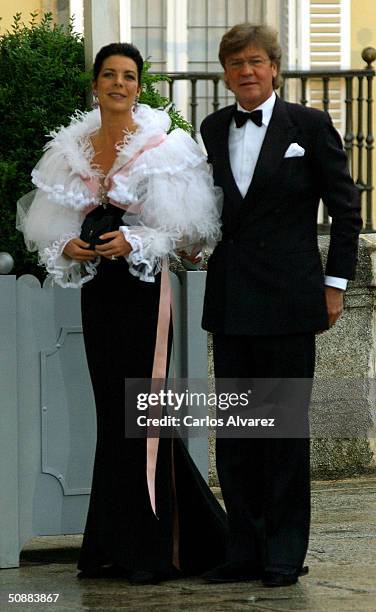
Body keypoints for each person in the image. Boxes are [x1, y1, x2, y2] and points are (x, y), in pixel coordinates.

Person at [18, 42, 227, 585]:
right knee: (114, 418)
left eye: (128, 76)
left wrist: (132, 241)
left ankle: (156, 549)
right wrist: (69, 246)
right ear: (95, 84)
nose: (118, 83)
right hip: (99, 293)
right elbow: (46, 225)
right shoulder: (72, 148)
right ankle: (111, 547)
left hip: (143, 294)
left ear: (140, 85)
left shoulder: (164, 145)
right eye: (108, 75)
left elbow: (189, 234)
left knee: (146, 420)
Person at [200, 24, 362, 587]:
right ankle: (243, 551)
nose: (246, 71)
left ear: (274, 68)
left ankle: (283, 555)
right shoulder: (213, 127)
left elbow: (346, 210)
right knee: (239, 431)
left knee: (284, 430)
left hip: (291, 299)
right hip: (231, 299)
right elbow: (211, 207)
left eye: (255, 61)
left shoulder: (310, 126)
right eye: (235, 63)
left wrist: (336, 283)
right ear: (226, 73)